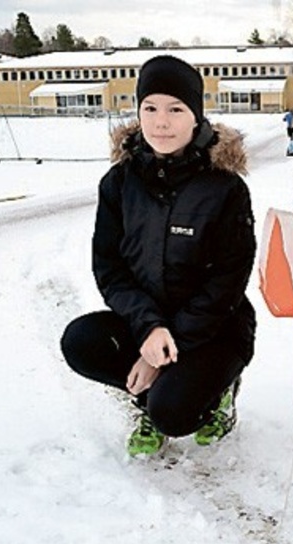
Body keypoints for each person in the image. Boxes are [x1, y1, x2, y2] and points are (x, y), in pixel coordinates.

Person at [60, 55, 257, 457]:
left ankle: (216, 393)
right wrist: (148, 328)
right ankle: (148, 398)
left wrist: (164, 351)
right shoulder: (119, 183)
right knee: (80, 341)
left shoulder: (225, 189)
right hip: (148, 324)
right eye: (149, 108)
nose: (160, 122)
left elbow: (227, 283)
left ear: (196, 116)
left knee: (174, 413)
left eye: (175, 109)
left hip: (215, 330)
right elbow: (110, 269)